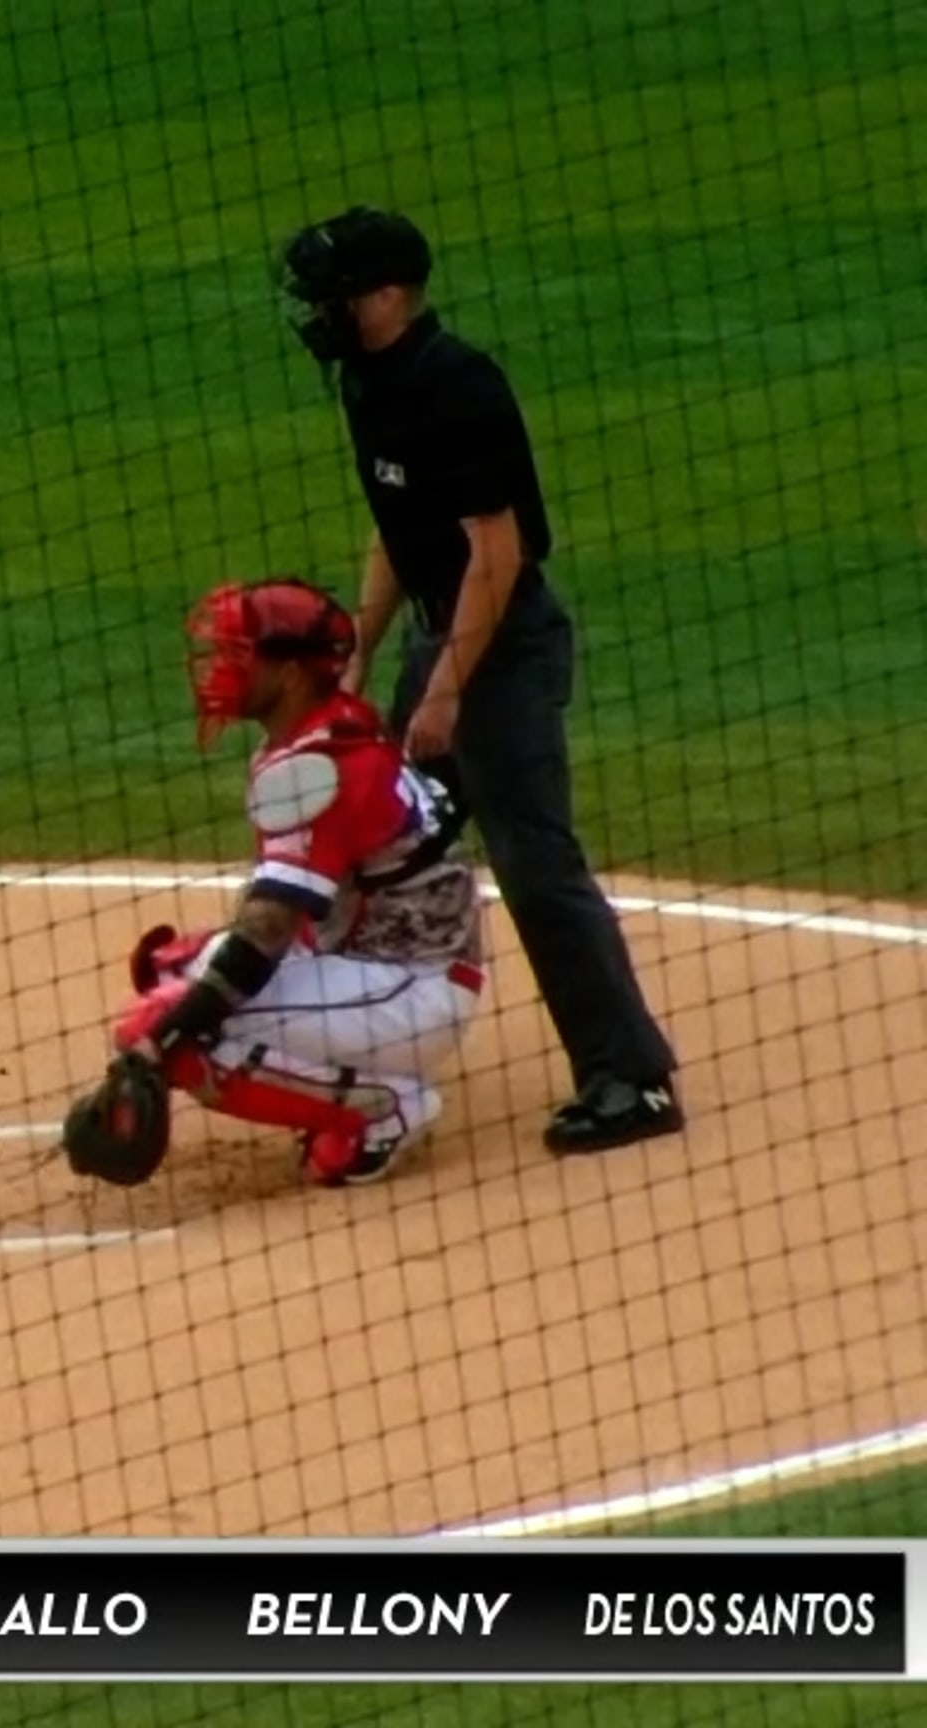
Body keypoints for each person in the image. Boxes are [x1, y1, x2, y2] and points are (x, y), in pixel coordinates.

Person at [277, 206, 684, 1156]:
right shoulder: (368, 381)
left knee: (535, 861)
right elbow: (397, 525)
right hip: (443, 634)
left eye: (334, 293)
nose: (320, 311)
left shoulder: (457, 384)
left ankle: (635, 1081)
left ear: (385, 296)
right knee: (372, 837)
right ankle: (356, 1066)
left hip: (498, 645)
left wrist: (449, 689)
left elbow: (494, 551)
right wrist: (361, 645)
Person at [109, 578, 488, 1187]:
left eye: (240, 652)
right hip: (392, 962)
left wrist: (157, 1044)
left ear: (288, 673)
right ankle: (367, 1073)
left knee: (175, 1026)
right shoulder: (328, 726)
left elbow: (268, 932)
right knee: (177, 971)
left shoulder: (315, 771)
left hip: (410, 989)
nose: (220, 667)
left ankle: (384, 1109)